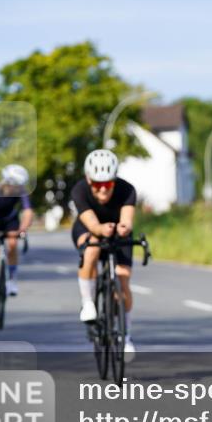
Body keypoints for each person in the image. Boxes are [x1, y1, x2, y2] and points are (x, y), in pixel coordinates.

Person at [71, 149, 138, 358]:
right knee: (91, 249)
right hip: (88, 228)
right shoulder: (79, 190)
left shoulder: (127, 190)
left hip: (117, 231)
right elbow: (92, 224)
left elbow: (127, 219)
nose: (102, 190)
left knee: (123, 279)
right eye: (97, 185)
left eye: (107, 184)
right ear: (89, 180)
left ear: (114, 181)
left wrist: (123, 228)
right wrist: (101, 230)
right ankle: (88, 303)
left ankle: (126, 337)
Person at [0, 165, 34, 309]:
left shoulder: (22, 192)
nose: (17, 188)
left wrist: (22, 229)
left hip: (10, 220)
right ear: (7, 182)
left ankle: (12, 279)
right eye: (15, 185)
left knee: (12, 244)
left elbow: (28, 212)